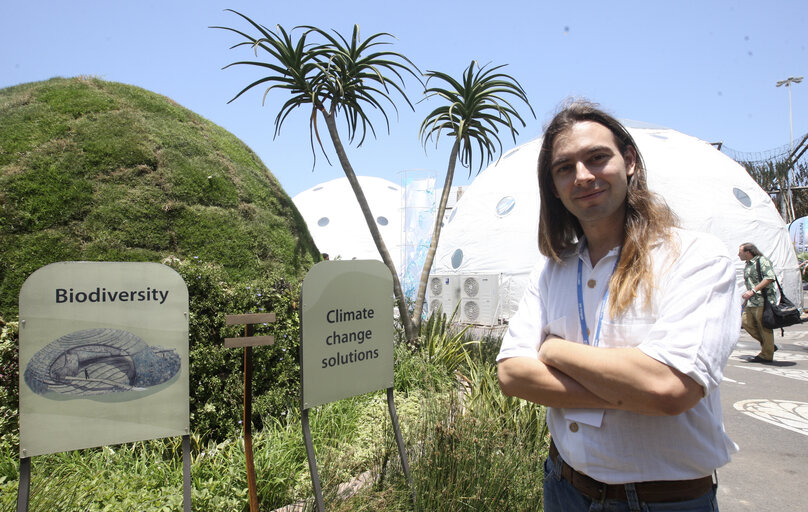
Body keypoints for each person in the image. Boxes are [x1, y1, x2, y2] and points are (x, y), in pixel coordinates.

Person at [497, 100, 740, 512]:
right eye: (565, 167)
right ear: (553, 186)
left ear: (629, 161)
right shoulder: (552, 271)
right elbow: (513, 373)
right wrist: (632, 387)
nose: (583, 176)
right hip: (565, 489)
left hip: (662, 502)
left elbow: (669, 390)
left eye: (597, 158)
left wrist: (553, 350)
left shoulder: (695, 258)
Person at [738, 242, 777, 362]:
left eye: (740, 252)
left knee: (764, 327)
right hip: (752, 301)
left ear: (748, 252)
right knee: (745, 322)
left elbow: (770, 277)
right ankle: (768, 345)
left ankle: (766, 354)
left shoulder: (762, 261)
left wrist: (753, 291)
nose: (738, 254)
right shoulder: (748, 264)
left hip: (763, 300)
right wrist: (746, 299)